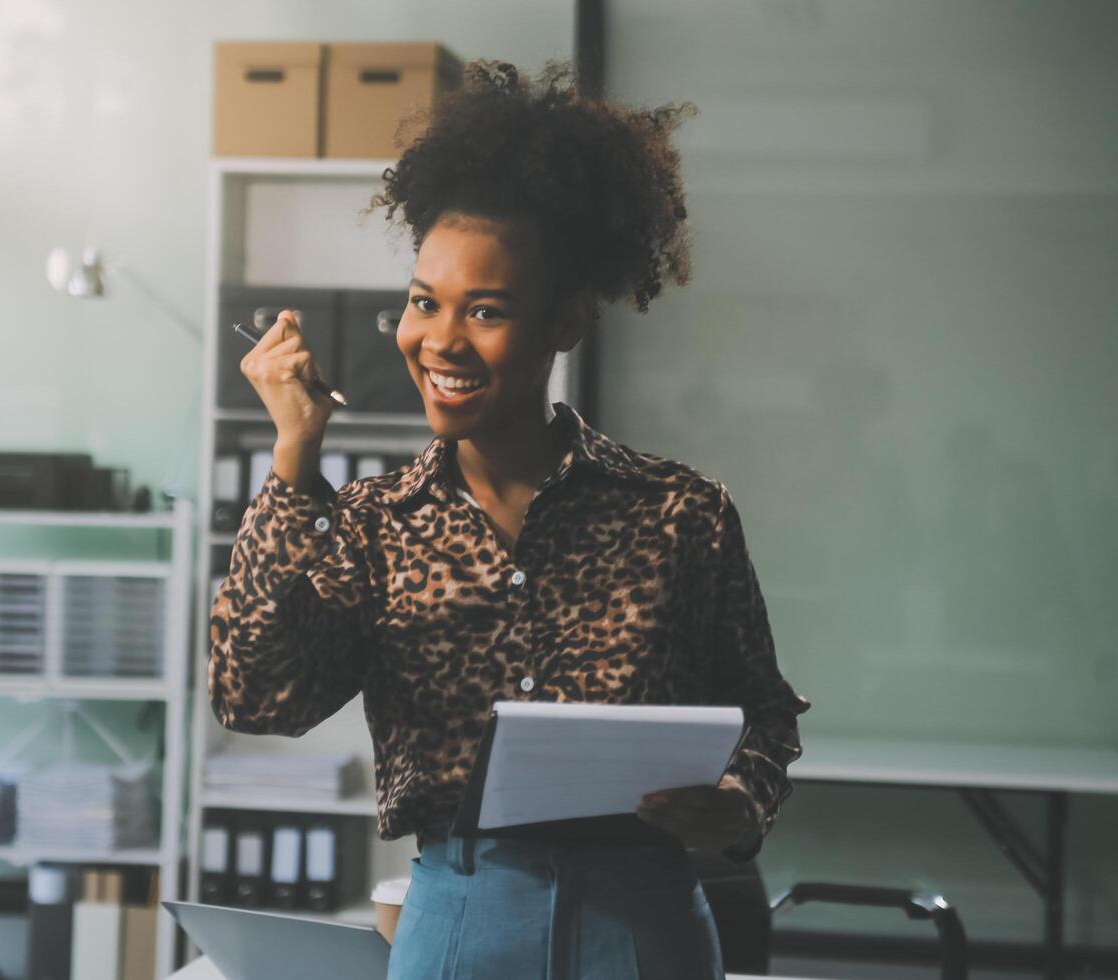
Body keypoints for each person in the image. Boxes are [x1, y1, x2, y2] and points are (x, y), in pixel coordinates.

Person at [208, 56, 811, 980]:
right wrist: (294, 460)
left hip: (643, 924)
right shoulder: (372, 524)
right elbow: (255, 697)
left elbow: (763, 712)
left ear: (566, 321)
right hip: (461, 920)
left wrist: (740, 804)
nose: (440, 341)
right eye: (423, 302)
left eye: (485, 310)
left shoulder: (678, 512)